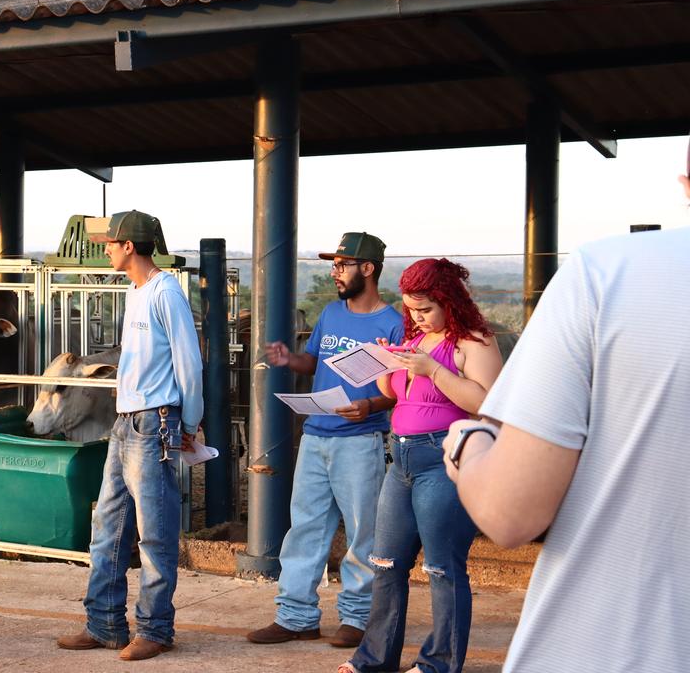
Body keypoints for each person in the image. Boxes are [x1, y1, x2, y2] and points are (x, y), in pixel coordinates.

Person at [439, 152, 690, 673]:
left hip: (615, 649)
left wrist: (466, 441)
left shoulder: (609, 273)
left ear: (686, 182)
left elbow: (511, 514)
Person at [341, 258, 502, 673]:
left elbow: (487, 404)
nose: (417, 317)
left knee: (442, 567)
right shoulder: (416, 338)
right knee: (386, 563)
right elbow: (394, 393)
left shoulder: (474, 341)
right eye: (412, 309)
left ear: (450, 301)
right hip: (402, 457)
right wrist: (383, 363)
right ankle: (374, 660)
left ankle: (438, 665)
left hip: (444, 459)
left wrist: (433, 369)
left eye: (426, 309)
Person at [56, 210, 203, 661]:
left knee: (153, 533)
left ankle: (156, 629)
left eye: (110, 243)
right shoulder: (136, 291)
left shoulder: (166, 293)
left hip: (155, 423)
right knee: (108, 527)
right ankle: (104, 624)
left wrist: (189, 423)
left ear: (130, 247)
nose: (105, 249)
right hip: (127, 424)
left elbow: (189, 363)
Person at [247, 232, 403, 649]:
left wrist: (370, 405)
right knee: (305, 529)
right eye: (334, 265)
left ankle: (357, 618)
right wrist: (288, 359)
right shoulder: (332, 313)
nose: (335, 272)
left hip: (361, 439)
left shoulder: (393, 323)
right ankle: (295, 616)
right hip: (315, 436)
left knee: (362, 533)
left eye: (342, 265)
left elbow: (399, 388)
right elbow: (313, 362)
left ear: (367, 269)